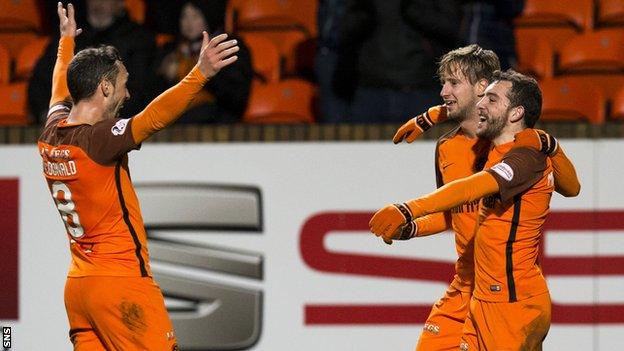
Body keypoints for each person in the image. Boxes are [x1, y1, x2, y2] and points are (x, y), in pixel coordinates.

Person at [37, 3, 239, 349]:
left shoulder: (52, 131)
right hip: (121, 285)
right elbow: (154, 117)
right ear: (103, 88)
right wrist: (200, 73)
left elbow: (59, 88)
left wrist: (66, 42)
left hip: (80, 289)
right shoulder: (98, 141)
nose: (127, 94)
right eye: (122, 85)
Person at [386, 45, 580, 350]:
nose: (443, 91)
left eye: (453, 82)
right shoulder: (447, 147)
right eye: (444, 82)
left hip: (506, 291)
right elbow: (454, 210)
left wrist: (551, 145)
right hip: (465, 285)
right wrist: (412, 228)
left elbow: (569, 187)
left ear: (482, 88)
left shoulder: (516, 146)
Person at [29, 0, 157, 124]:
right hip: (69, 124)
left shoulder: (138, 38)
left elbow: (143, 88)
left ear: (120, 4)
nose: (98, 4)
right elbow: (40, 81)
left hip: (122, 124)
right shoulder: (71, 35)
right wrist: (52, 116)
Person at [336, 0, 461, 123]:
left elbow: (452, 27)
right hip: (371, 88)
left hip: (420, 87)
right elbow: (343, 28)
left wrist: (415, 12)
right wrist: (363, 14)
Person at [155, 0, 252, 123]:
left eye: (195, 16)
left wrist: (201, 69)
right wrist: (165, 75)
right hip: (176, 122)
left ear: (208, 16)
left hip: (216, 120)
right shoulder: (170, 50)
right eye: (184, 16)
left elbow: (235, 97)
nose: (188, 23)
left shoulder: (228, 46)